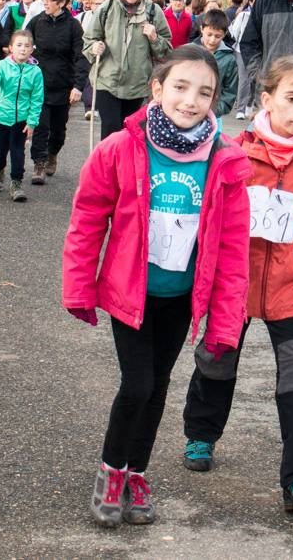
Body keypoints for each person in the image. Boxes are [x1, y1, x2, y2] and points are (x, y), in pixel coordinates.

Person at [62, 46, 252, 528]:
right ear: (157, 89)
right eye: (181, 87)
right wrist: (79, 288)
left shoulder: (224, 162)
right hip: (132, 294)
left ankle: (137, 473)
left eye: (205, 92)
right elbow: (88, 221)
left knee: (160, 385)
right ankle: (111, 471)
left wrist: (224, 323)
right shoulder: (121, 149)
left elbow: (233, 251)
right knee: (138, 383)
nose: (191, 100)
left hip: (181, 299)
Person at [181, 55, 293, 513]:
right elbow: (210, 217)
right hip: (235, 283)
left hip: (291, 286)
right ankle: (200, 435)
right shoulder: (233, 152)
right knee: (216, 360)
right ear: (266, 99)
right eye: (291, 99)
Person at [83, 0, 172, 138]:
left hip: (136, 85)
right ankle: (109, 165)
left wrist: (154, 38)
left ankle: (125, 165)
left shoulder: (154, 12)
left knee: (128, 133)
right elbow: (88, 40)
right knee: (110, 130)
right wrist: (94, 47)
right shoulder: (106, 8)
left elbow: (167, 52)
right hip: (107, 81)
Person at [26, 0, 89, 184]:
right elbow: (24, 47)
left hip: (63, 85)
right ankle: (39, 163)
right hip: (39, 84)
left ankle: (53, 153)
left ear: (62, 2)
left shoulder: (73, 27)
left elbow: (81, 57)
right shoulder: (36, 22)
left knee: (58, 129)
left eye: (50, 0)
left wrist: (79, 86)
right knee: (40, 125)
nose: (45, 3)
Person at [0, 31, 44, 201]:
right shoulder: (1, 65)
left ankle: (16, 182)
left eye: (27, 46)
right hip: (1, 117)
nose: (23, 49)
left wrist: (32, 122)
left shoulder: (36, 72)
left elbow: (37, 99)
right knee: (0, 150)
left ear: (32, 50)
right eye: (19, 45)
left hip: (21, 120)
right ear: (10, 48)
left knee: (18, 152)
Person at [184, 10, 237, 118]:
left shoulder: (229, 59)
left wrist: (215, 111)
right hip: (185, 107)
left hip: (211, 114)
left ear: (224, 34)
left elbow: (230, 91)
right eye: (209, 34)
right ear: (202, 29)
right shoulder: (187, 51)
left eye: (218, 36)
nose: (212, 40)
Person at [230, 0, 257, 119]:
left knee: (255, 79)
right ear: (250, 1)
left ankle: (249, 105)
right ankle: (240, 108)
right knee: (244, 78)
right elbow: (235, 31)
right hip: (241, 50)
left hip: (257, 52)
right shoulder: (244, 15)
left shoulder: (261, 15)